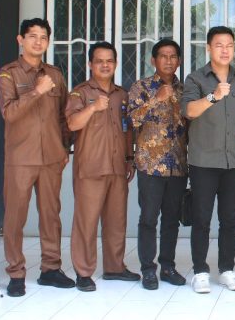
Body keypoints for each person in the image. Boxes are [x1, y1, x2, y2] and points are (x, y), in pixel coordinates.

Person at [0, 18, 74, 297]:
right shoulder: (8, 74)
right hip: (21, 158)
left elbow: (64, 115)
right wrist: (37, 91)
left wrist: (65, 148)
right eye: (32, 36)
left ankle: (50, 269)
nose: (38, 42)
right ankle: (16, 273)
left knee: (51, 216)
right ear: (21, 40)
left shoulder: (55, 74)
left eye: (43, 37)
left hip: (52, 157)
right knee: (15, 218)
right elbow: (10, 113)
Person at [182, 26, 235, 294]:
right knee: (201, 219)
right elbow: (189, 111)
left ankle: (227, 270)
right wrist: (214, 96)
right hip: (203, 160)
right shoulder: (195, 78)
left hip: (233, 161)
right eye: (219, 45)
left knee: (229, 219)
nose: (225, 50)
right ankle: (200, 271)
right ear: (208, 48)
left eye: (229, 45)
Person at [66, 41, 140, 292]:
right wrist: (93, 107)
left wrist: (129, 159)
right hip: (91, 168)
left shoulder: (122, 95)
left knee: (116, 222)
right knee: (86, 222)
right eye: (99, 61)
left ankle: (114, 267)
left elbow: (128, 130)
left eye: (109, 61)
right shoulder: (80, 93)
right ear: (90, 64)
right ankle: (84, 271)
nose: (105, 65)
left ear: (116, 64)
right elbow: (72, 124)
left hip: (118, 167)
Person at [128, 39, 188, 290]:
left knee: (172, 220)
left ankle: (167, 267)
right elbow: (131, 120)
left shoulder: (185, 90)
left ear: (179, 61)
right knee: (149, 218)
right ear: (153, 60)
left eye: (173, 56)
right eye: (163, 56)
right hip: (150, 166)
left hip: (178, 165)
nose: (168, 61)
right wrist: (156, 99)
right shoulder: (141, 87)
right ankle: (148, 269)